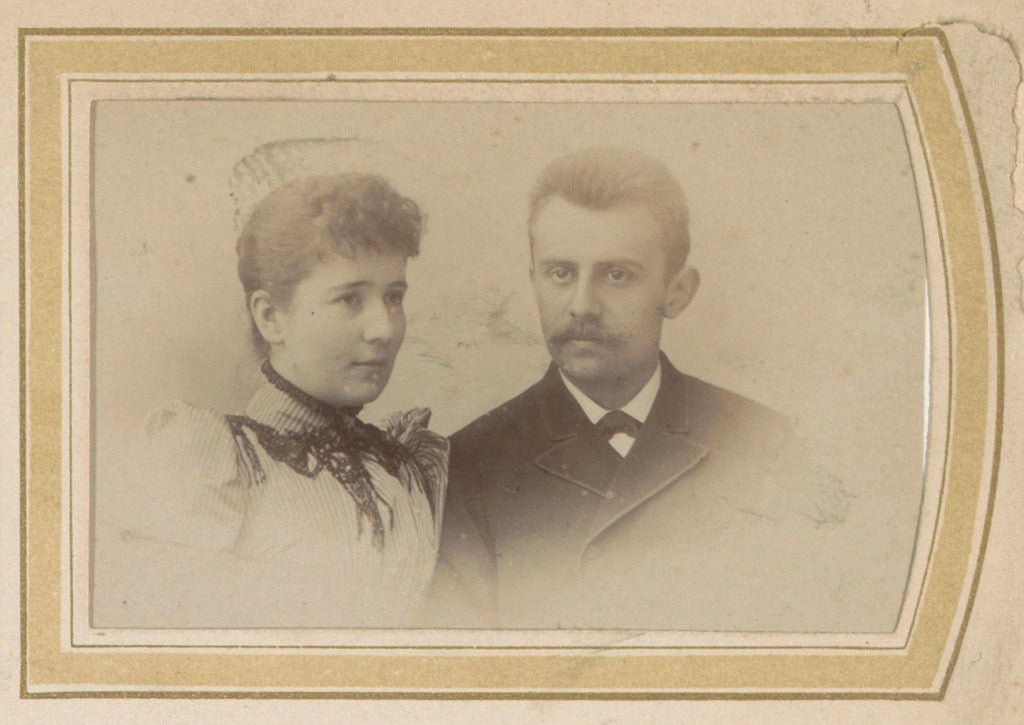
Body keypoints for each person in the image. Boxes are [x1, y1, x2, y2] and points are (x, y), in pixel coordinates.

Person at [432, 147, 798, 630]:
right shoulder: (468, 468)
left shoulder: (762, 442)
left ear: (678, 292)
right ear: (533, 280)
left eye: (617, 275)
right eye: (561, 274)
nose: (582, 305)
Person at [103, 174, 448, 628]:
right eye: (350, 300)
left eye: (394, 297)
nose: (383, 328)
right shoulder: (213, 457)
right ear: (271, 317)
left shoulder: (406, 465)